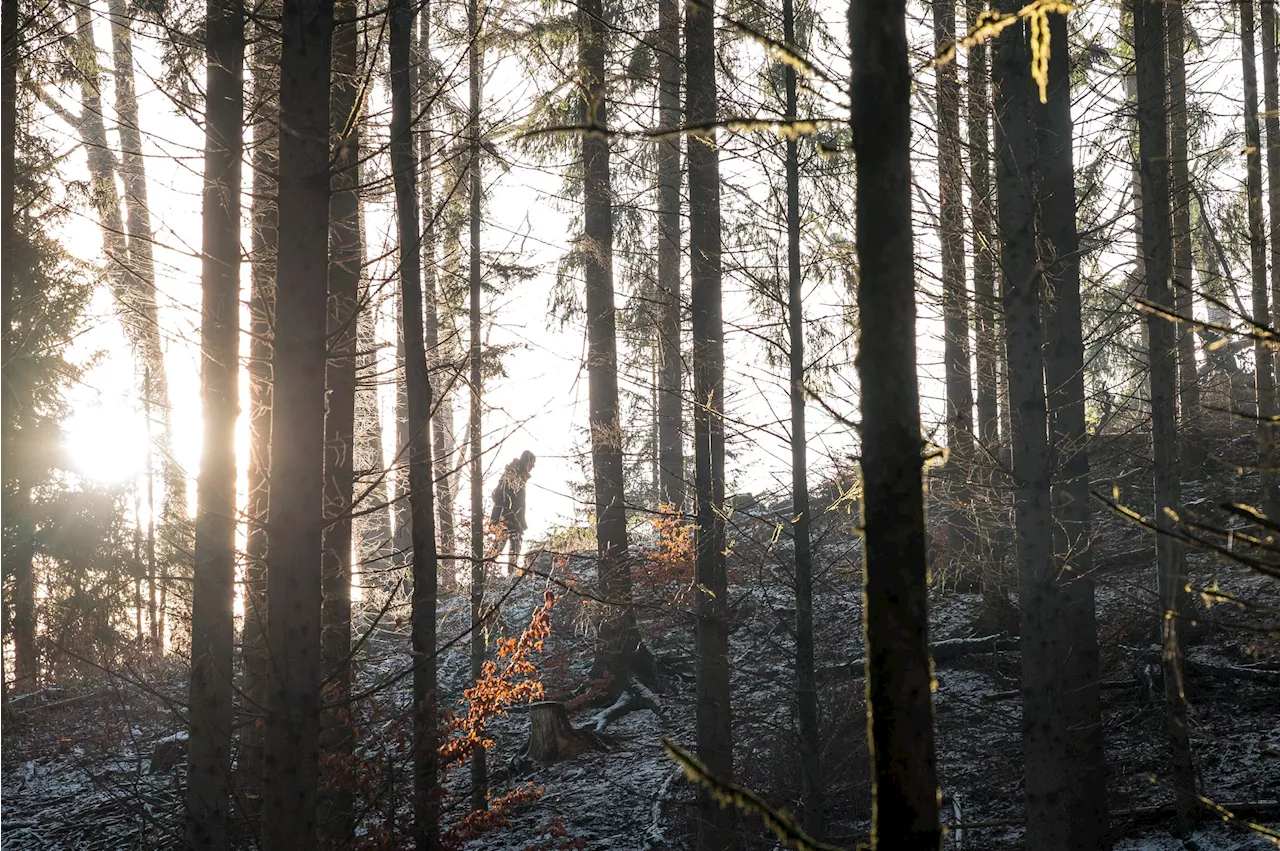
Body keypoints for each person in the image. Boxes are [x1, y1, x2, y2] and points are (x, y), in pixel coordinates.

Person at [490, 450, 535, 571]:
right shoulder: (512, 475)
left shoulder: (517, 475)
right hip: (507, 516)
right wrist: (509, 516)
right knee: (508, 543)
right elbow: (502, 497)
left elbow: (518, 501)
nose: (533, 466)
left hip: (511, 517)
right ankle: (505, 573)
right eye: (533, 463)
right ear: (527, 461)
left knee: (504, 544)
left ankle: (489, 570)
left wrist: (521, 519)